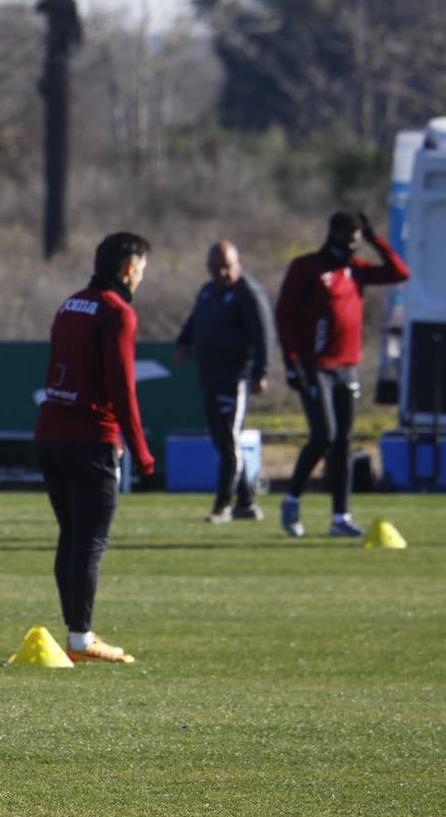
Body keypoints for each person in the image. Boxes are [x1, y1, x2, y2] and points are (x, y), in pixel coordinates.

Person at [34, 232, 156, 665]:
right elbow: (123, 390)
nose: (141, 277)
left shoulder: (71, 304)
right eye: (141, 269)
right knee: (89, 542)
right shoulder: (118, 313)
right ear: (127, 268)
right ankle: (81, 639)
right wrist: (142, 452)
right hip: (90, 439)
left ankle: (77, 633)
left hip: (50, 433)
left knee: (71, 537)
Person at [275, 211, 409, 538]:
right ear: (334, 234)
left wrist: (376, 239)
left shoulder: (356, 271)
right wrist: (291, 361)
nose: (352, 244)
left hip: (346, 367)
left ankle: (340, 517)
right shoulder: (307, 267)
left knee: (343, 443)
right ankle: (292, 498)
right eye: (349, 238)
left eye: (357, 239)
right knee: (324, 435)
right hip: (314, 365)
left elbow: (399, 272)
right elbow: (284, 315)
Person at [174, 240, 272, 523]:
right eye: (216, 268)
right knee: (222, 442)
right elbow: (194, 321)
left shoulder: (247, 294)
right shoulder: (207, 292)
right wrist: (183, 342)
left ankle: (222, 506)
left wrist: (261, 372)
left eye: (227, 267)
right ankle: (247, 503)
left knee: (229, 441)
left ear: (237, 264)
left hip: (235, 379)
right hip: (210, 377)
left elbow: (263, 335)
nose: (222, 274)